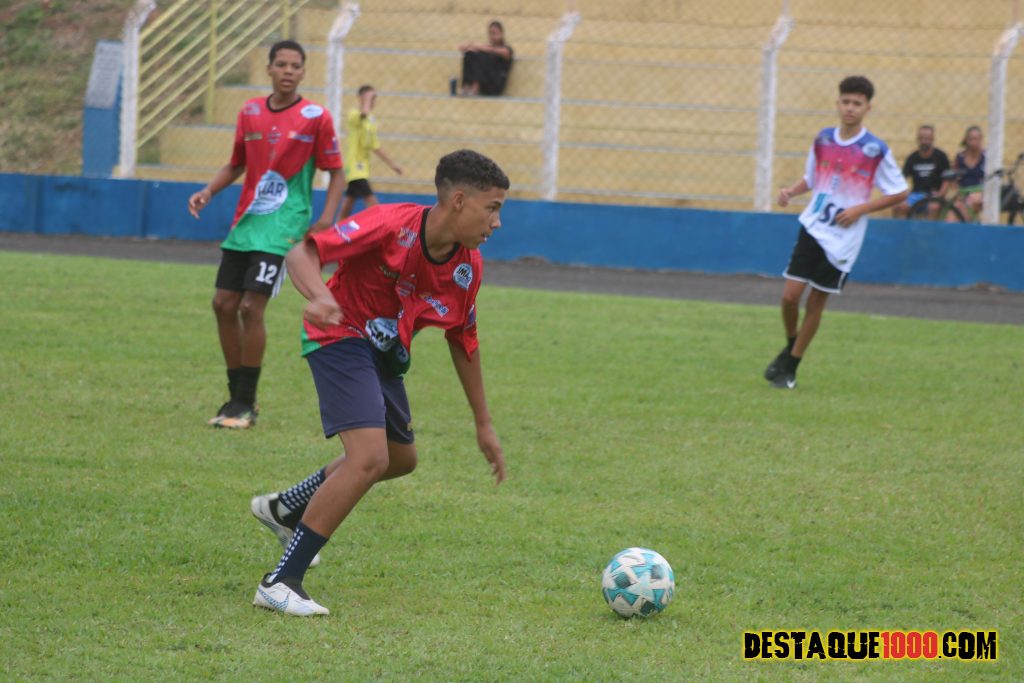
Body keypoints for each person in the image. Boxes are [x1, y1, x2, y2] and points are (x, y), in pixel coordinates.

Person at [250, 149, 510, 616]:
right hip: (339, 334)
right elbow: (303, 253)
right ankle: (281, 581)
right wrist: (320, 296)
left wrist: (483, 424)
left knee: (400, 459)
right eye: (492, 208)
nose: (497, 222)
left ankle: (286, 507)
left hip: (385, 354)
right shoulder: (390, 224)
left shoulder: (468, 267)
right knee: (369, 458)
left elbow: (463, 340)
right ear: (458, 201)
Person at [188, 40, 345, 429]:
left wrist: (327, 217)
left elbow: (337, 172)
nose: (289, 71)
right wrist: (208, 191)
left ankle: (245, 401)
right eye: (282, 64)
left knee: (250, 308)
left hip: (284, 226)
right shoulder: (250, 111)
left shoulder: (316, 117)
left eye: (296, 65)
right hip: (247, 224)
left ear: (303, 72)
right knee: (222, 304)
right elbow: (237, 163)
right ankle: (234, 398)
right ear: (270, 69)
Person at [765, 76, 909, 389]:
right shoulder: (824, 139)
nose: (850, 108)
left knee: (816, 302)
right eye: (846, 102)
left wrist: (860, 209)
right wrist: (791, 191)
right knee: (789, 297)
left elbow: (900, 192)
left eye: (857, 103)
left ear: (868, 108)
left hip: (843, 239)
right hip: (813, 226)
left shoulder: (875, 149)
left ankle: (791, 367)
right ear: (837, 103)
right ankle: (790, 346)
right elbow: (812, 176)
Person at [339, 84, 403, 219]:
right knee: (372, 202)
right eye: (369, 98)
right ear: (360, 98)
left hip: (363, 167)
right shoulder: (353, 115)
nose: (372, 101)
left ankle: (336, 228)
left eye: (373, 98)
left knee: (348, 203)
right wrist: (366, 100)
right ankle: (382, 225)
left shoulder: (371, 121)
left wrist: (392, 165)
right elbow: (363, 114)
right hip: (355, 167)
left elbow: (375, 146)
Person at [892, 124, 950, 219]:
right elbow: (902, 179)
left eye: (927, 139)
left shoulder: (941, 156)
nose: (924, 141)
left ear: (932, 139)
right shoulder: (912, 158)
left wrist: (940, 194)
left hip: (933, 194)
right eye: (922, 138)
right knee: (899, 207)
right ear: (917, 139)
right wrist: (901, 195)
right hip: (915, 195)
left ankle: (929, 229)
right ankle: (903, 229)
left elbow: (947, 180)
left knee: (933, 207)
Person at [458, 20, 513, 97]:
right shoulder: (487, 47)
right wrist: (471, 46)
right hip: (484, 83)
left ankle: (475, 88)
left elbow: (502, 52)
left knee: (482, 54)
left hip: (495, 86)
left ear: (501, 34)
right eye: (490, 33)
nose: (492, 36)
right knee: (470, 54)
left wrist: (478, 47)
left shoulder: (507, 49)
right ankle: (466, 87)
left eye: (495, 33)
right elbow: (462, 48)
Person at [948, 125, 986, 222]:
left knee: (969, 204)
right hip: (963, 193)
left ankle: (966, 226)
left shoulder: (986, 157)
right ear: (966, 140)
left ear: (981, 139)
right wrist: (956, 189)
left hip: (980, 193)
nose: (973, 142)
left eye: (976, 139)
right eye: (970, 139)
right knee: (951, 216)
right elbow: (952, 177)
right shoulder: (960, 157)